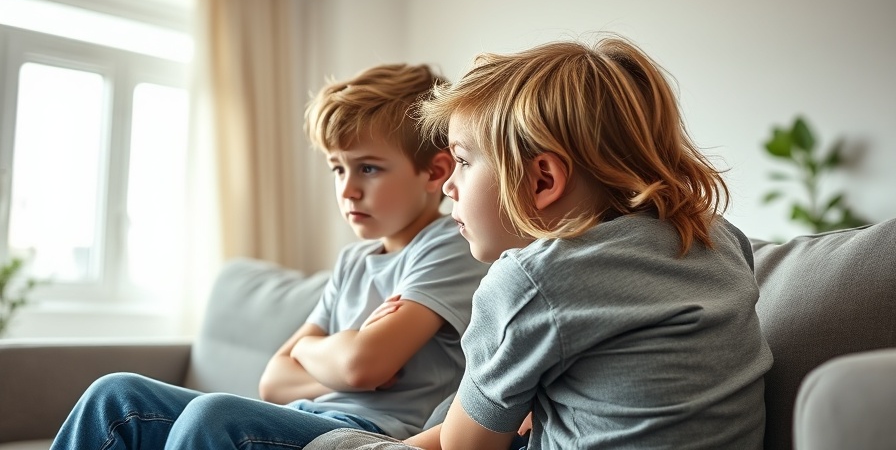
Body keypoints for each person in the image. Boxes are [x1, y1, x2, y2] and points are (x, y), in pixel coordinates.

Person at [304, 34, 774, 450]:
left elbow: (467, 447)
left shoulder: (532, 280)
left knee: (311, 438)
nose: (450, 186)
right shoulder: (719, 237)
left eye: (464, 162)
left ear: (542, 179)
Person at [49, 63, 491, 450]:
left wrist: (325, 354)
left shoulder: (449, 243)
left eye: (368, 168)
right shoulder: (353, 261)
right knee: (116, 395)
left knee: (215, 415)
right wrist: (338, 355)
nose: (348, 189)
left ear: (435, 172)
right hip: (305, 416)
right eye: (338, 168)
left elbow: (363, 365)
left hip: (367, 433)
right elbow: (274, 380)